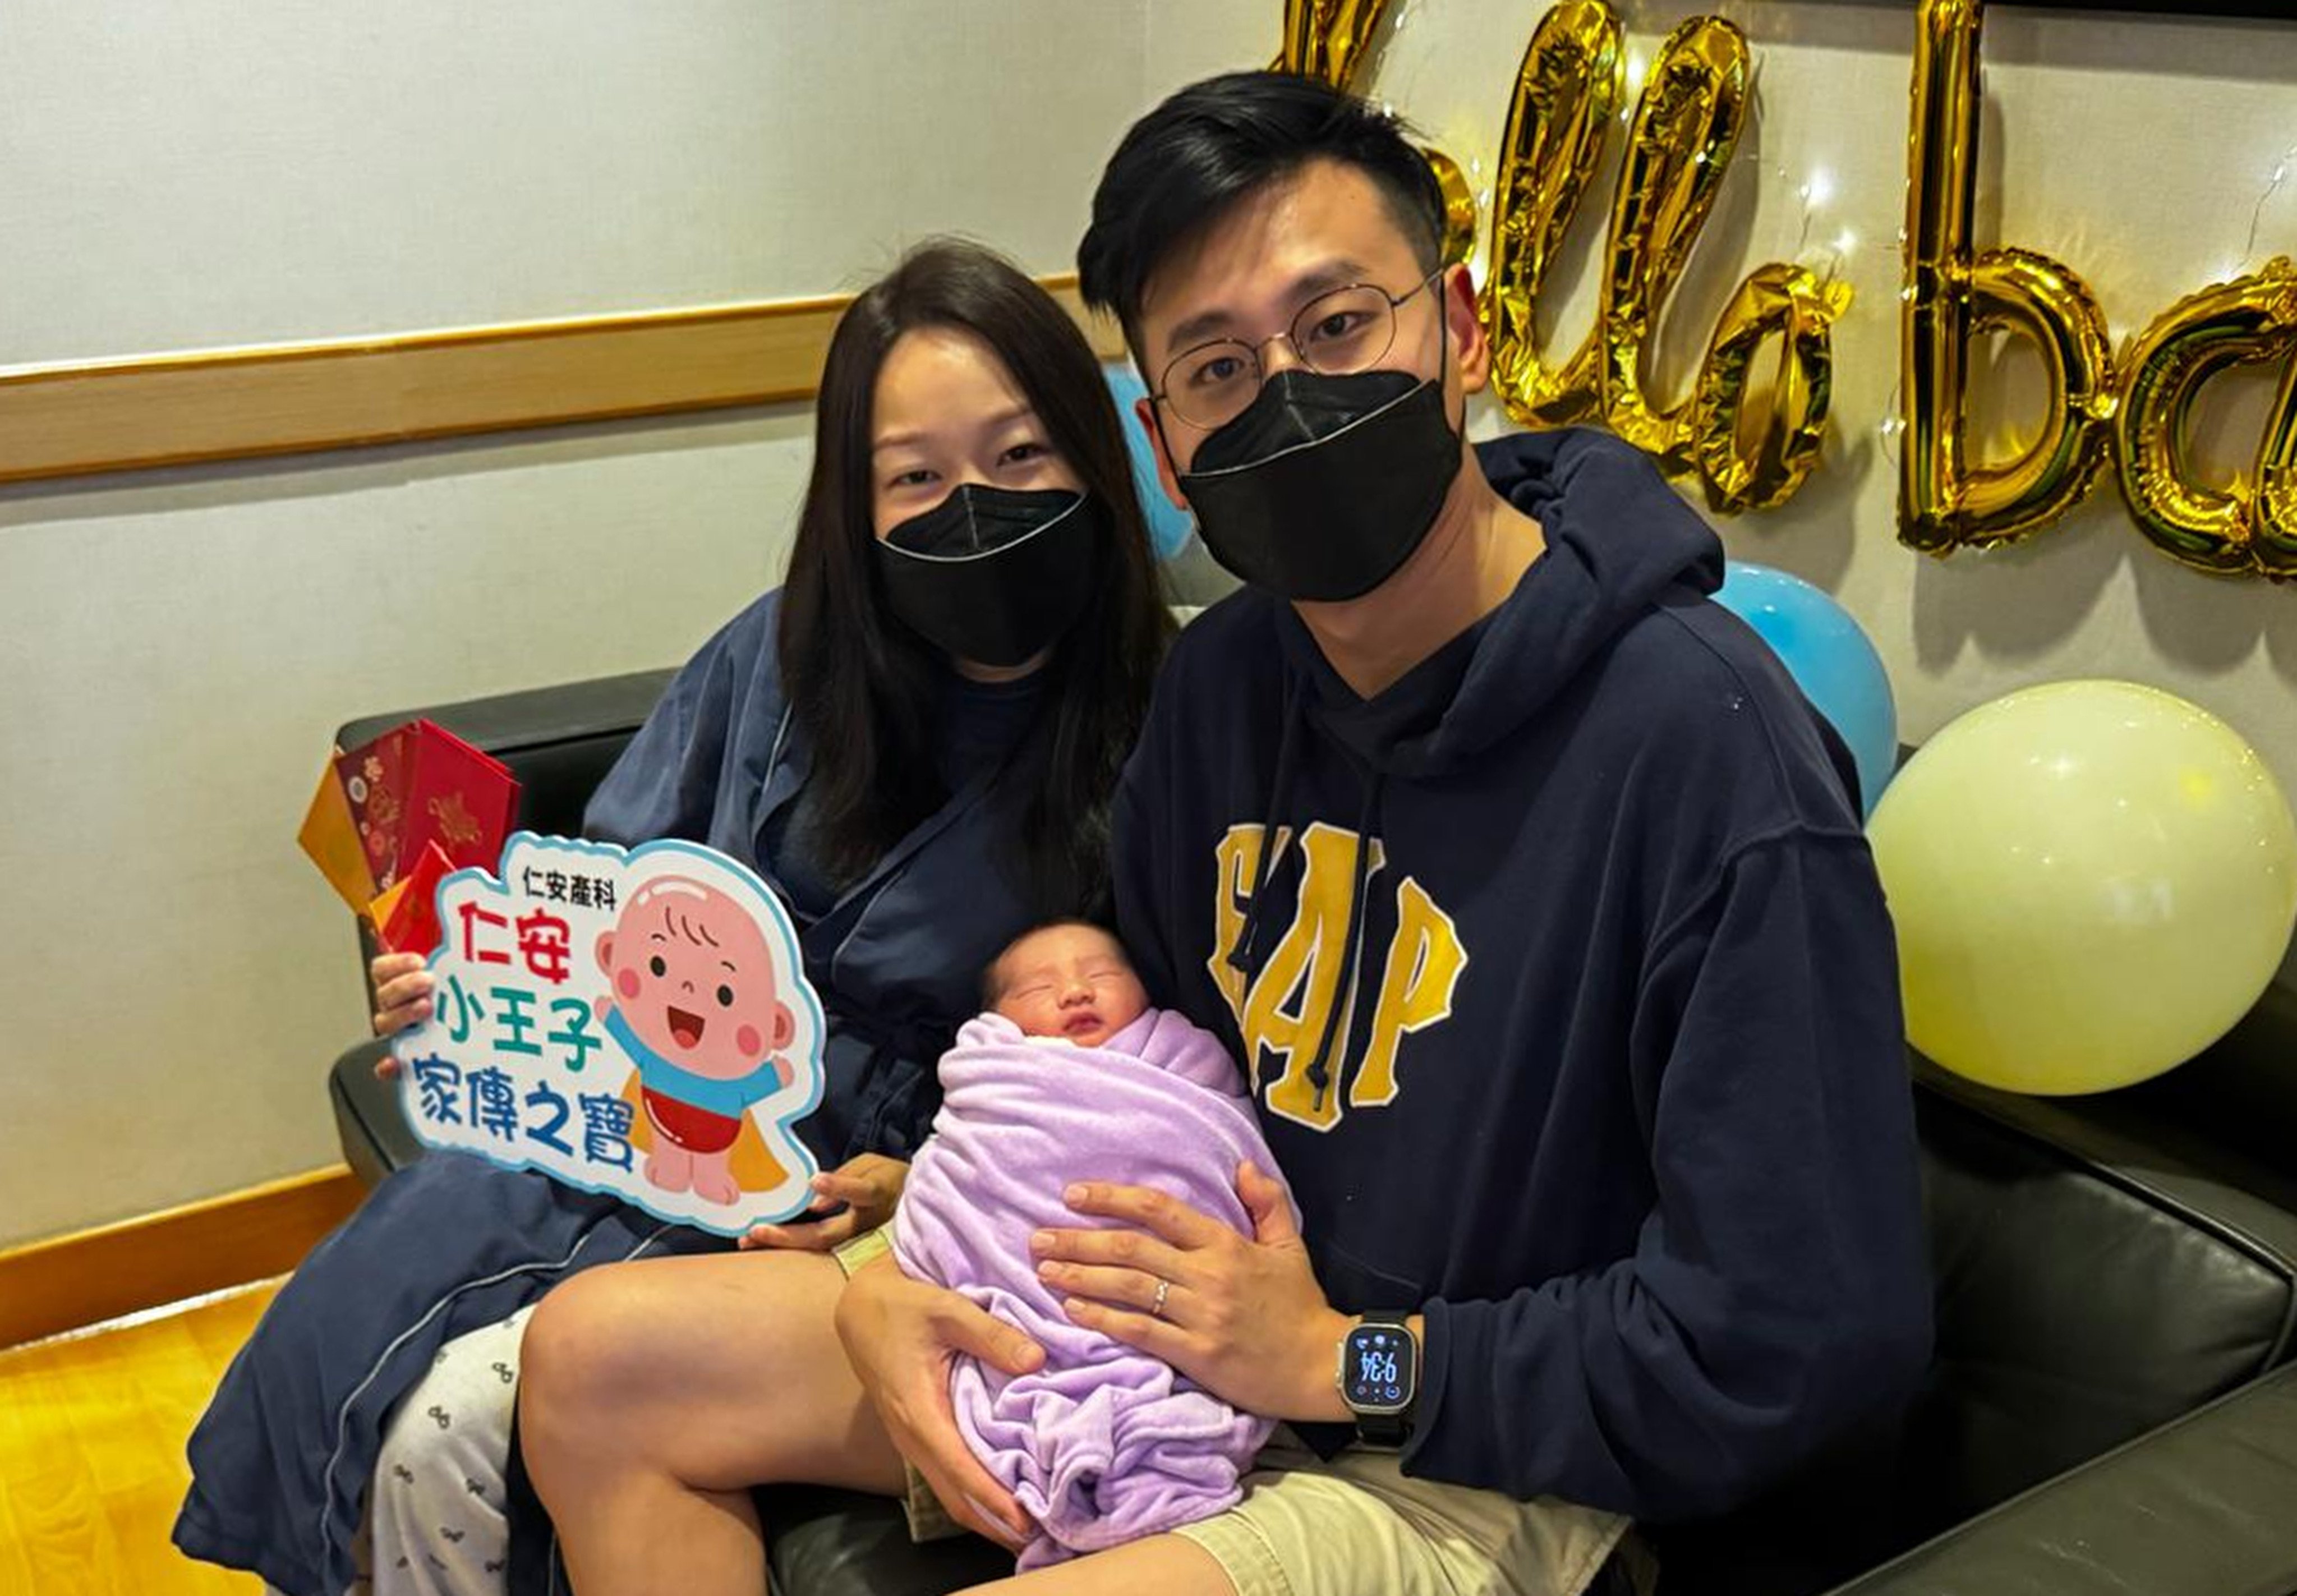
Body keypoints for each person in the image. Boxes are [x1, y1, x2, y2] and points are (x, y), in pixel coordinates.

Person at [829, 70, 1934, 1595]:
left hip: (1491, 1462)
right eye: (1215, 367)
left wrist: (1343, 1358)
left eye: (1338, 326)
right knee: (602, 1367)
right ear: (1162, 443)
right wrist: (913, 1252)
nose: (1284, 391)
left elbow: (1794, 1328)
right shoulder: (1219, 689)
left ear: (1461, 332)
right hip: (1202, 1346)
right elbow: (1135, 1062)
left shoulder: (1704, 754)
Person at [172, 237, 1173, 1596]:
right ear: (854, 502)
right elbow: (612, 887)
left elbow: (1144, 1076)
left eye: (1020, 457)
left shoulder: (1166, 719)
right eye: (917, 477)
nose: (971, 508)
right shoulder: (782, 651)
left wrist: (920, 1177)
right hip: (654, 1097)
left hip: (865, 1188)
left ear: (1095, 463)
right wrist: (483, 983)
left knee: (459, 1422)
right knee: (355, 1309)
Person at [890, 921, 1292, 1570]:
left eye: (1101, 975)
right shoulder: (999, 1080)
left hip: (1176, 1307)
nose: (1076, 992)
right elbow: (960, 1178)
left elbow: (1225, 1150)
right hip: (1031, 1313)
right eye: (1040, 987)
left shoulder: (1184, 1062)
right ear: (996, 1020)